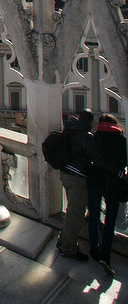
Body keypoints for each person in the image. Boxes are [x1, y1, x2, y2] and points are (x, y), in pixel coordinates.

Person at [86, 113, 127, 278]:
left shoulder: (94, 137)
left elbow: (90, 158)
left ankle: (94, 250)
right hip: (113, 184)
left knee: (94, 216)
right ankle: (106, 255)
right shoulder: (121, 140)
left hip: (95, 182)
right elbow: (124, 163)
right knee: (110, 220)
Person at [57, 109, 93, 261]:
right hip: (77, 177)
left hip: (65, 173)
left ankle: (62, 240)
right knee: (75, 213)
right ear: (90, 121)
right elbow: (94, 157)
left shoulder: (70, 129)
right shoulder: (86, 136)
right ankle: (68, 248)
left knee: (72, 210)